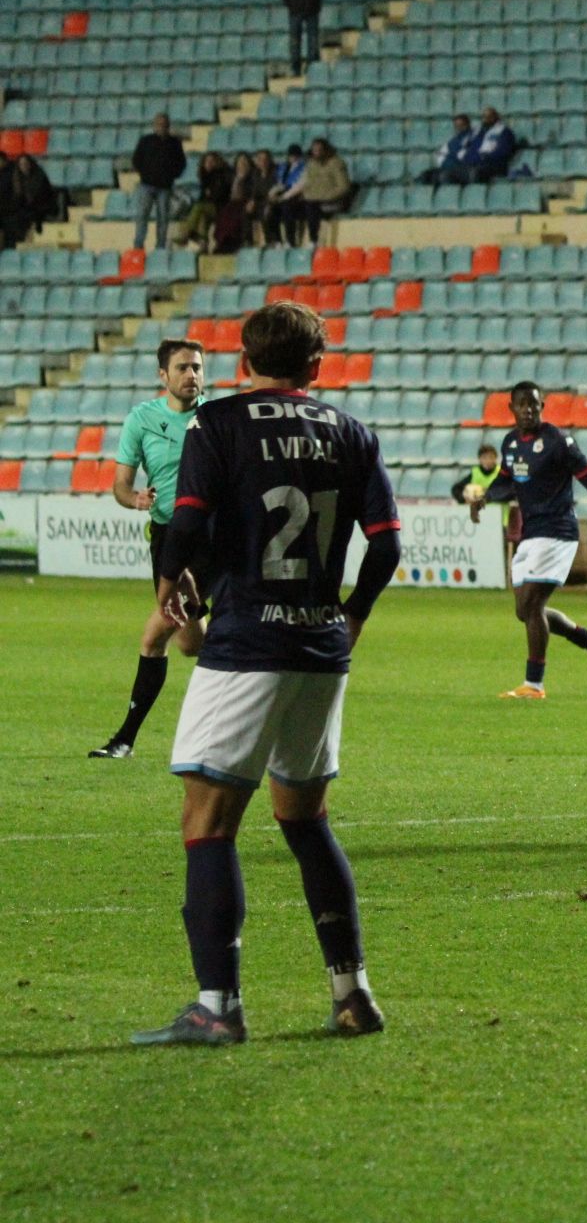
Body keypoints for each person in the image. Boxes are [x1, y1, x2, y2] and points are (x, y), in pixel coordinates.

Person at [130, 300, 401, 1046]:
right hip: (320, 647)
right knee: (305, 820)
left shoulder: (214, 425)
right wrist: (355, 615)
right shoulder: (352, 433)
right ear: (316, 366)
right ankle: (353, 995)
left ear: (243, 360)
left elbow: (186, 524)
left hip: (246, 645)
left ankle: (217, 1006)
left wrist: (172, 588)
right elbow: (385, 545)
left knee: (206, 822)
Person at [88, 339, 212, 760]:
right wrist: (136, 498)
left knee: (153, 635)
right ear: (164, 375)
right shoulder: (141, 419)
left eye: (197, 367)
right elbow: (120, 486)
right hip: (165, 537)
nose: (191, 375)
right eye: (182, 368)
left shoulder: (215, 419)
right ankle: (233, 653)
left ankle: (125, 738)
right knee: (190, 643)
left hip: (207, 538)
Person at [470, 382, 587, 698]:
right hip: (531, 535)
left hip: (558, 533)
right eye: (522, 405)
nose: (528, 410)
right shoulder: (510, 444)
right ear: (512, 408)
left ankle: (534, 684)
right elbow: (507, 481)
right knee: (526, 611)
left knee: (532, 605)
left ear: (542, 406)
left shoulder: (559, 442)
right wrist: (486, 497)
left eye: (534, 404)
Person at [271, 138, 351, 245]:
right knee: (287, 206)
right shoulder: (311, 164)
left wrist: (324, 197)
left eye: (319, 149)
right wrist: (284, 197)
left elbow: (344, 187)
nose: (316, 152)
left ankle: (314, 240)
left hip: (332, 201)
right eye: (314, 150)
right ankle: (289, 242)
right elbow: (302, 183)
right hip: (312, 198)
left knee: (311, 205)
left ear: (326, 150)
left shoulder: (337, 163)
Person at [132, 113, 187, 252]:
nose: (162, 127)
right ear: (154, 125)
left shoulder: (175, 143)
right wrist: (145, 174)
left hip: (165, 187)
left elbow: (181, 163)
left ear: (168, 126)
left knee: (163, 218)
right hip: (146, 185)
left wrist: (171, 176)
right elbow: (136, 159)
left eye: (164, 124)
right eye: (159, 124)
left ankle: (160, 247)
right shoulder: (145, 141)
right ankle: (138, 245)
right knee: (142, 215)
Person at [170, 153, 232, 251]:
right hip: (209, 207)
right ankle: (204, 244)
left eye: (212, 161)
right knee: (202, 215)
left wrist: (211, 194)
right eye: (207, 161)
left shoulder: (221, 175)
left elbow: (220, 196)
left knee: (199, 207)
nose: (209, 163)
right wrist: (209, 194)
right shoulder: (205, 177)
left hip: (221, 208)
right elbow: (204, 197)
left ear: (216, 163)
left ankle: (187, 234)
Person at [3, 152, 62, 247]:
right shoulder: (16, 179)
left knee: (23, 217)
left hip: (43, 207)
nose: (24, 166)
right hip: (26, 209)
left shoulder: (39, 176)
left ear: (30, 164)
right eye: (21, 164)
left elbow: (43, 197)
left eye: (26, 164)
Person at [265, 144, 306, 245]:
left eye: (295, 155)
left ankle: (290, 240)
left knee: (287, 208)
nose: (293, 157)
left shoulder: (304, 167)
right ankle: (277, 240)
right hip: (284, 194)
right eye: (291, 155)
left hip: (297, 196)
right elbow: (280, 184)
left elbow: (299, 186)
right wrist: (272, 194)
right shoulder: (284, 167)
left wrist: (283, 197)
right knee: (270, 210)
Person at [420, 113, 475, 185]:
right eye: (457, 126)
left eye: (462, 125)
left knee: (445, 176)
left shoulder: (473, 137)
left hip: (463, 169)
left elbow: (463, 157)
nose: (459, 128)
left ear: (468, 124)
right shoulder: (453, 140)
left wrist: (451, 158)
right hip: (450, 168)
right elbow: (441, 156)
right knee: (426, 175)